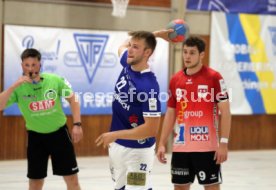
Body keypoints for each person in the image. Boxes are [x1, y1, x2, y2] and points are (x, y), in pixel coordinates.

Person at [95, 30, 171, 190]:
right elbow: (122, 46)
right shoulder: (128, 62)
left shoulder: (149, 86)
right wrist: (154, 34)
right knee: (120, 188)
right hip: (117, 147)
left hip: (138, 151)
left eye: (135, 47)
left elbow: (151, 129)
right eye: (131, 45)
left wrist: (114, 134)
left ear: (147, 53)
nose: (129, 49)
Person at [0, 48, 83, 190]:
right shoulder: (18, 89)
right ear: (22, 66)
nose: (31, 69)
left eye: (34, 64)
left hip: (59, 135)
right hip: (36, 138)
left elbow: (73, 99)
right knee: (35, 183)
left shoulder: (54, 80)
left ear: (40, 64)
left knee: (72, 180)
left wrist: (77, 124)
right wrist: (14, 85)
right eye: (27, 65)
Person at [157, 36, 231, 190]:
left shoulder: (214, 78)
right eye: (185, 52)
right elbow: (171, 113)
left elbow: (226, 112)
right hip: (181, 148)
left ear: (201, 55)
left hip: (207, 148)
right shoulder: (175, 79)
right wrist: (162, 143)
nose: (187, 56)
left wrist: (223, 143)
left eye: (192, 53)